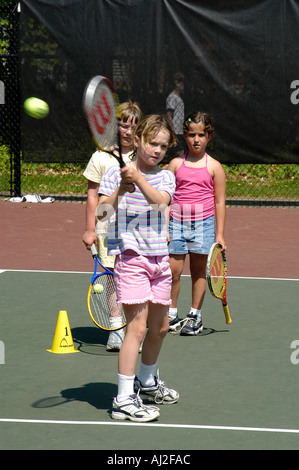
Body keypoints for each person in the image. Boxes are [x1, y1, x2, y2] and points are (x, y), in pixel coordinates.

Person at [98, 114, 179, 422]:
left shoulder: (165, 176)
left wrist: (139, 179)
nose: (156, 150)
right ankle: (123, 398)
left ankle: (146, 381)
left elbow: (160, 203)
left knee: (160, 327)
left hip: (160, 260)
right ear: (138, 138)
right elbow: (103, 216)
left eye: (163, 145)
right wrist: (121, 186)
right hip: (131, 259)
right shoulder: (113, 173)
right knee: (138, 327)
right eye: (151, 143)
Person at [82, 101, 142, 351]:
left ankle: (134, 330)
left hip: (138, 229)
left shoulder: (143, 156)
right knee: (112, 278)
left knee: (133, 278)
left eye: (132, 126)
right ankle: (116, 329)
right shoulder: (100, 157)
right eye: (122, 125)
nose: (126, 131)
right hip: (108, 227)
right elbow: (92, 194)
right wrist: (89, 229)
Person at [167, 111, 227, 335]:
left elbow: (220, 202)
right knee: (173, 271)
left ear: (209, 136)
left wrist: (220, 235)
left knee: (199, 271)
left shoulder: (215, 167)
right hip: (176, 223)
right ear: (184, 135)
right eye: (191, 134)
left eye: (201, 134)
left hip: (204, 224)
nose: (196, 139)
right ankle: (171, 315)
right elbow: (163, 197)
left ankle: (195, 316)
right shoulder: (174, 164)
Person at [166, 72, 186, 157]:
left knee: (183, 151)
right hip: (175, 130)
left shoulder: (179, 97)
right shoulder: (172, 97)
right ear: (176, 83)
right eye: (181, 82)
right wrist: (172, 130)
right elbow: (169, 115)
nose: (183, 85)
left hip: (181, 130)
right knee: (179, 151)